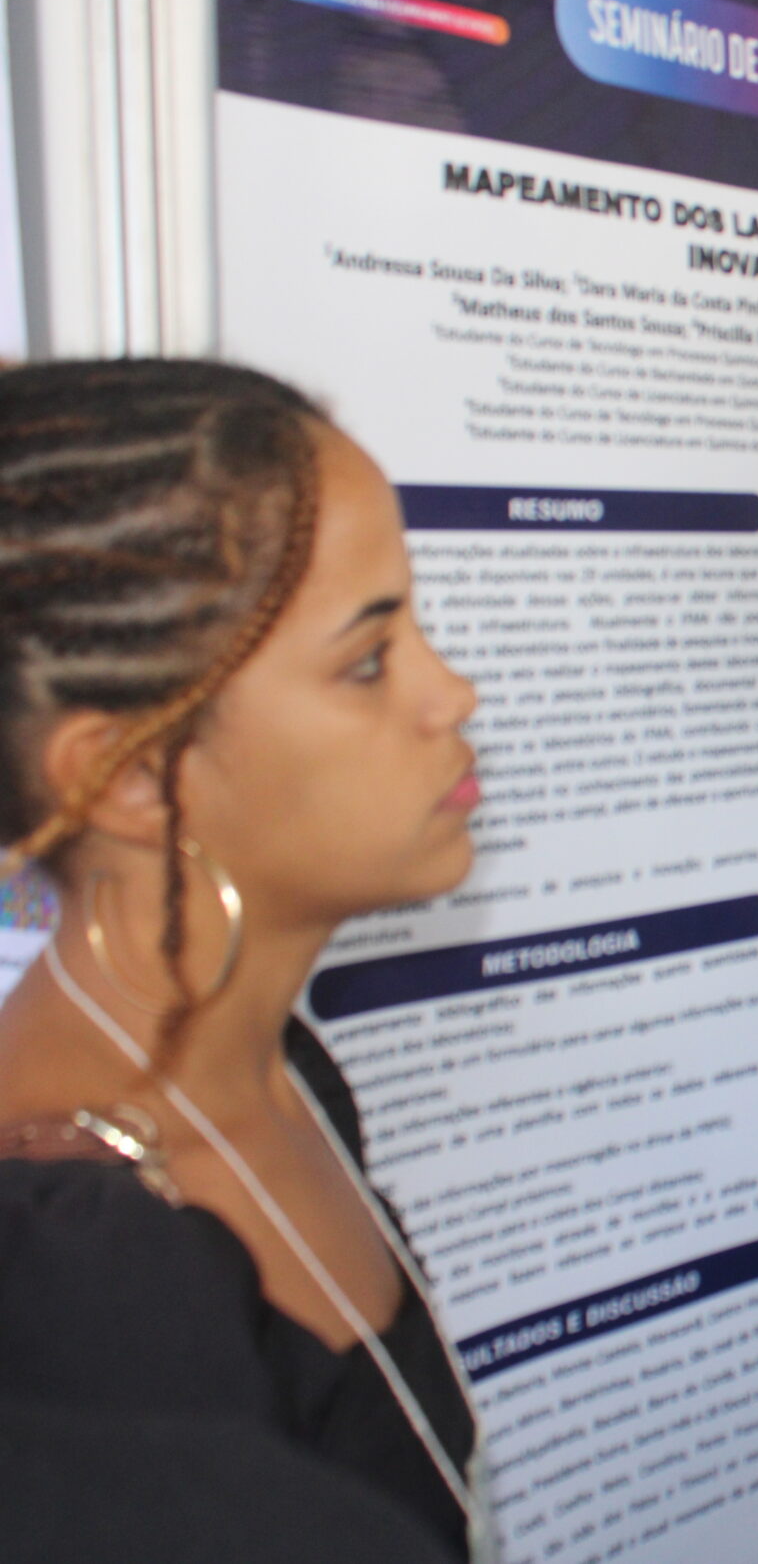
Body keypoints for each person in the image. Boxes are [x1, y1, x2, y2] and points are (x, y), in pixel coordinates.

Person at [0, 360, 488, 1558]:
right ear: (129, 776)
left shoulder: (281, 1070)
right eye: (368, 661)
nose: (455, 694)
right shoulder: (72, 1294)